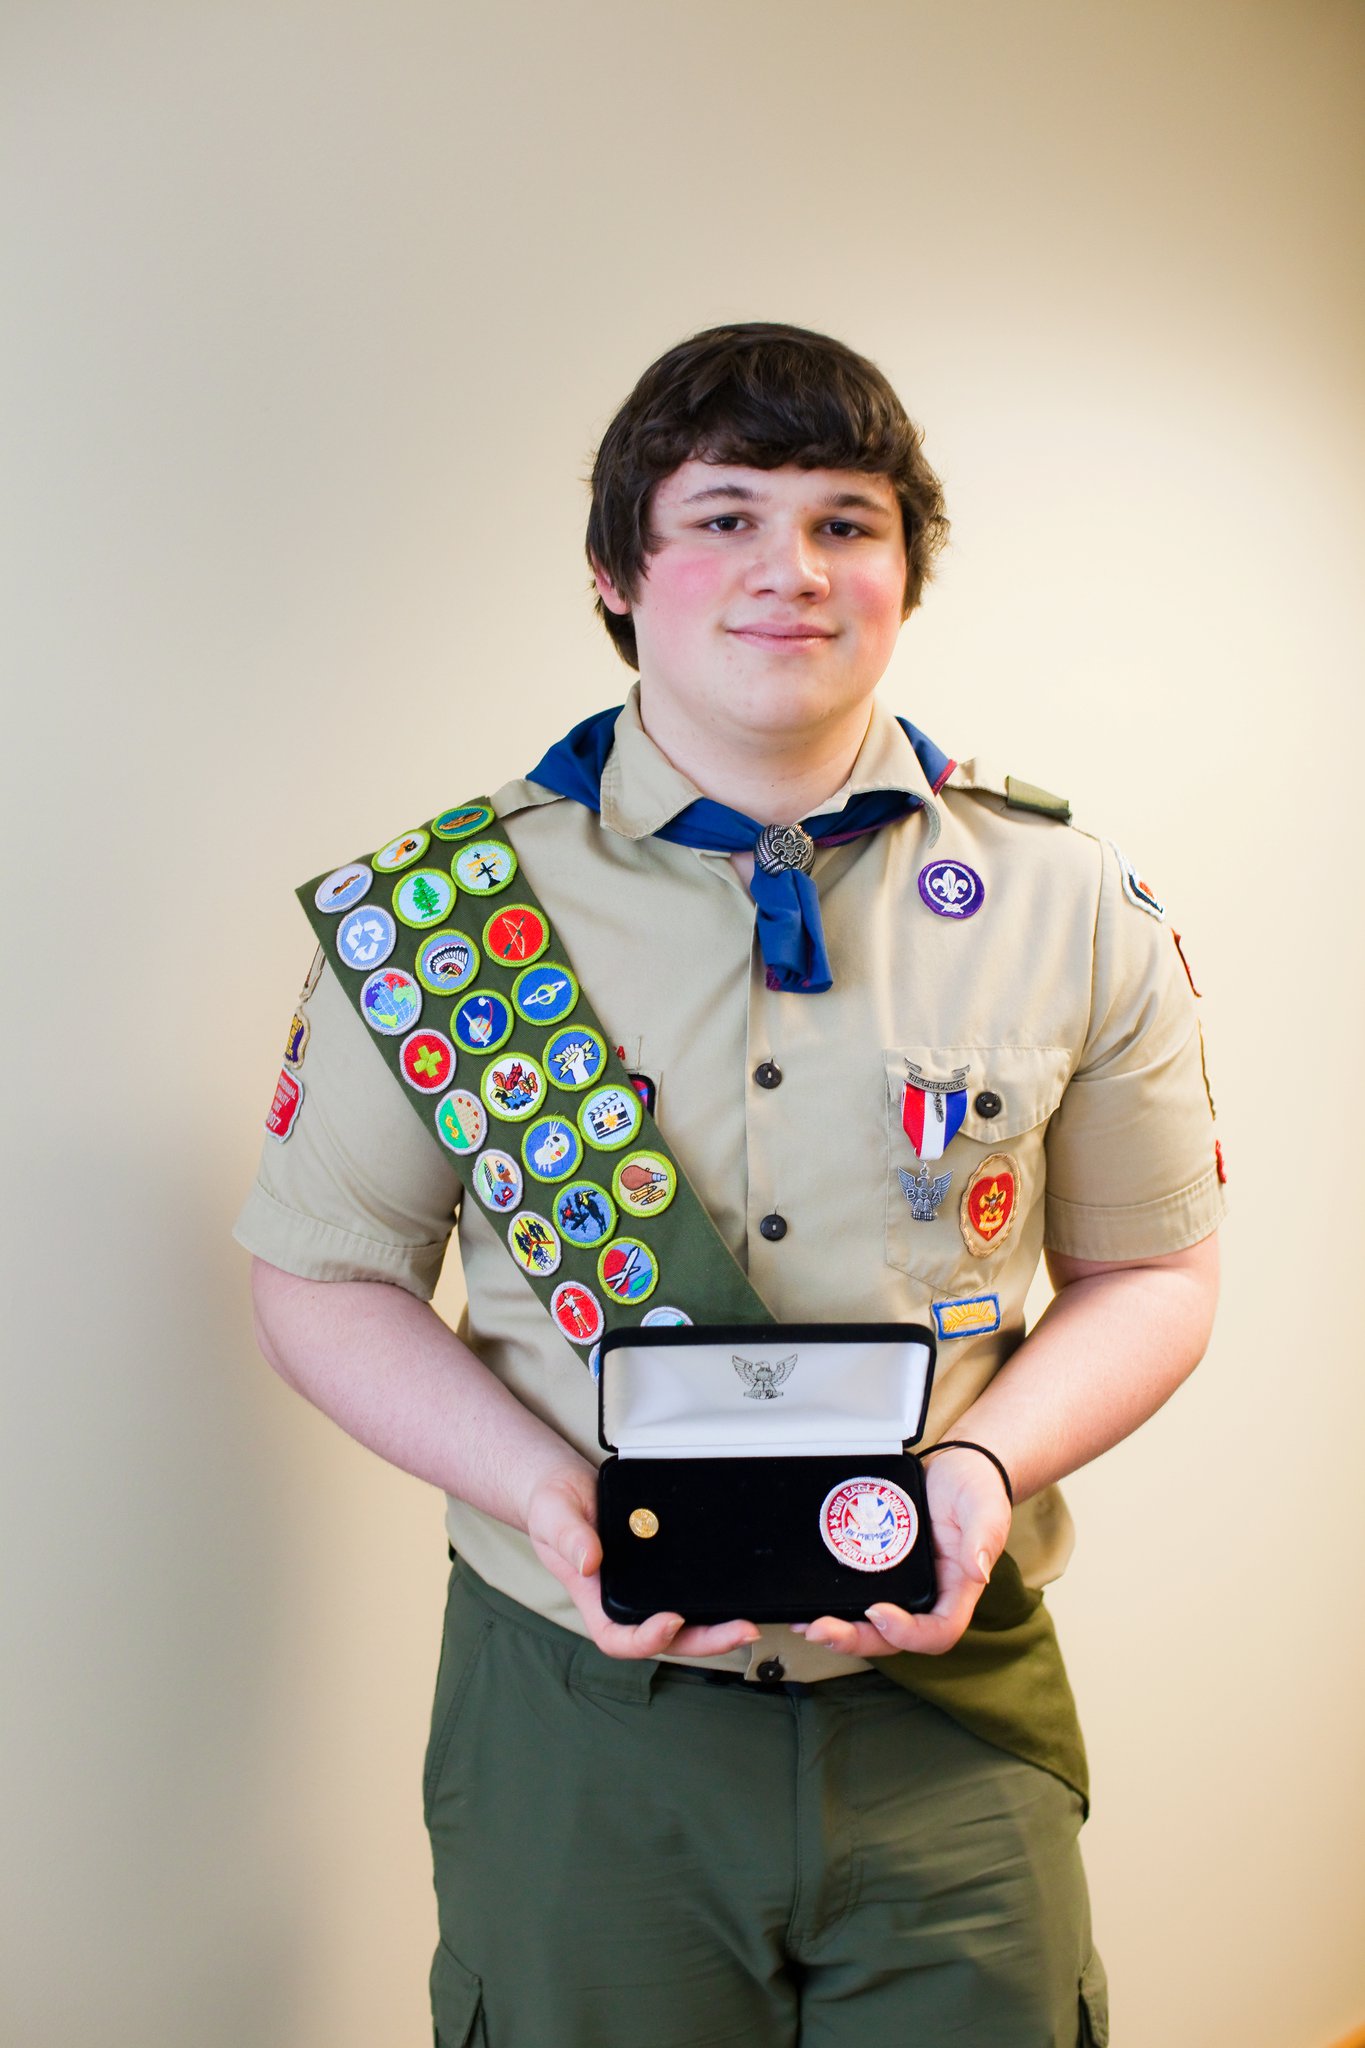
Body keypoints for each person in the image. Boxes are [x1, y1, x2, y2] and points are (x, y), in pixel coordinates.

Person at [236, 322, 1224, 2047]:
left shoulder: (1071, 901)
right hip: (576, 1711)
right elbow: (323, 1280)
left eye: (847, 521)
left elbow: (1153, 1274)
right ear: (620, 572)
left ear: (906, 573)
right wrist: (549, 1494)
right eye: (724, 517)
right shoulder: (442, 923)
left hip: (945, 1708)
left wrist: (984, 1472)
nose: (792, 568)